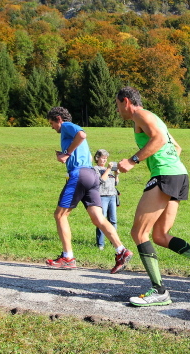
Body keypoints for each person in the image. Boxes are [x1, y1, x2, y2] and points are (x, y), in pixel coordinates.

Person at [115, 86, 190, 307]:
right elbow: (176, 146)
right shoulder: (153, 117)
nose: (118, 111)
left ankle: (159, 291)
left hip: (165, 175)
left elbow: (159, 140)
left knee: (139, 233)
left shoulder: (140, 115)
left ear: (126, 101)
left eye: (118, 105)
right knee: (160, 235)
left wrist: (133, 161)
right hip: (178, 174)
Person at [45, 107, 133, 274]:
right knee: (98, 218)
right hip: (91, 175)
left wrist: (67, 153)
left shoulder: (66, 126)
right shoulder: (67, 133)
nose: (52, 127)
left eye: (52, 123)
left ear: (58, 119)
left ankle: (68, 257)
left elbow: (82, 134)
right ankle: (121, 250)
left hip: (79, 174)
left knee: (60, 215)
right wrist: (66, 154)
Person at [93, 149, 120, 251]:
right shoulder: (95, 169)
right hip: (102, 196)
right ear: (97, 158)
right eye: (103, 158)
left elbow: (115, 183)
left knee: (113, 220)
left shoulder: (109, 169)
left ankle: (114, 242)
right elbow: (101, 180)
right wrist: (108, 169)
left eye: (106, 158)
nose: (105, 160)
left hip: (112, 196)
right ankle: (100, 244)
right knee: (101, 220)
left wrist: (116, 174)